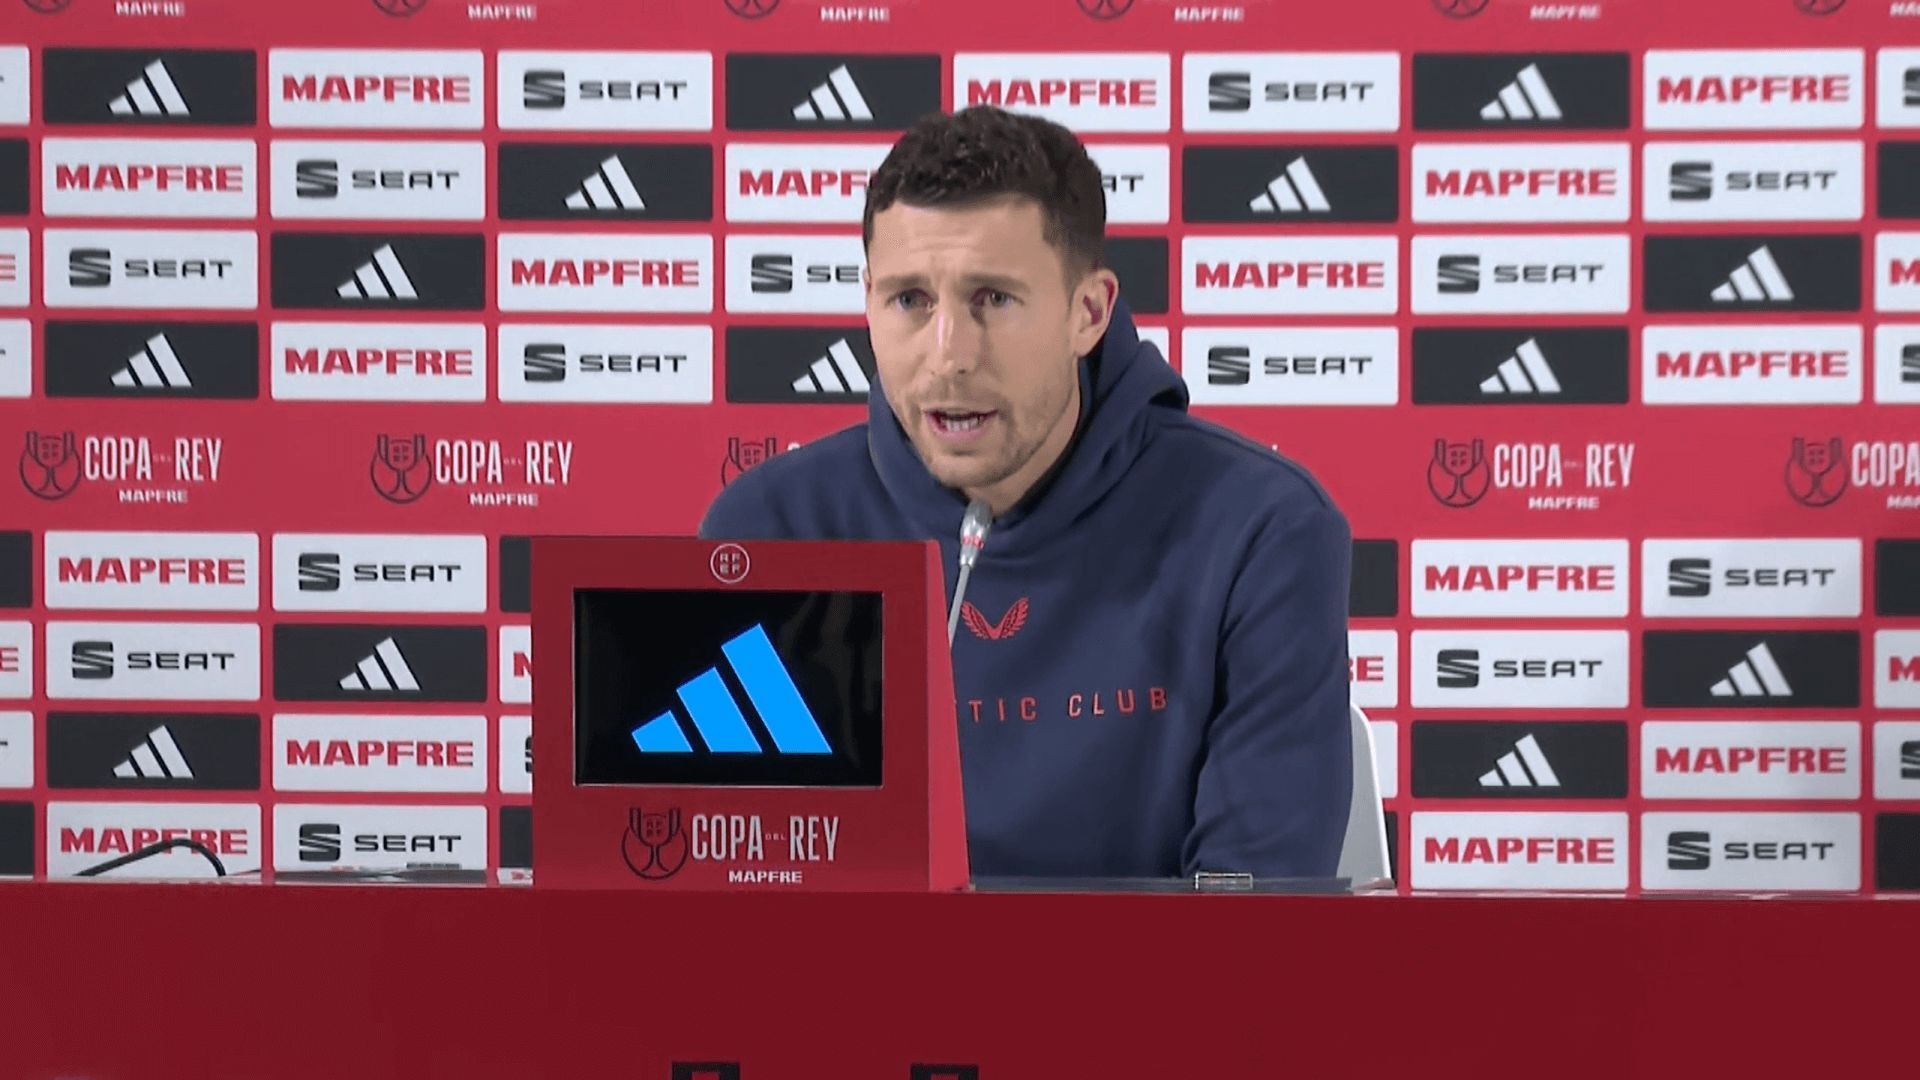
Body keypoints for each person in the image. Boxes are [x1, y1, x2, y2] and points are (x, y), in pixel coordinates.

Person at [700, 104, 1354, 880]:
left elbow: (1259, 914)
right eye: (910, 300)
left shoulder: (1260, 529)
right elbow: (719, 891)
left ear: (1089, 312)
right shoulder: (770, 530)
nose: (950, 356)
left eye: (994, 299)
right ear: (868, 300)